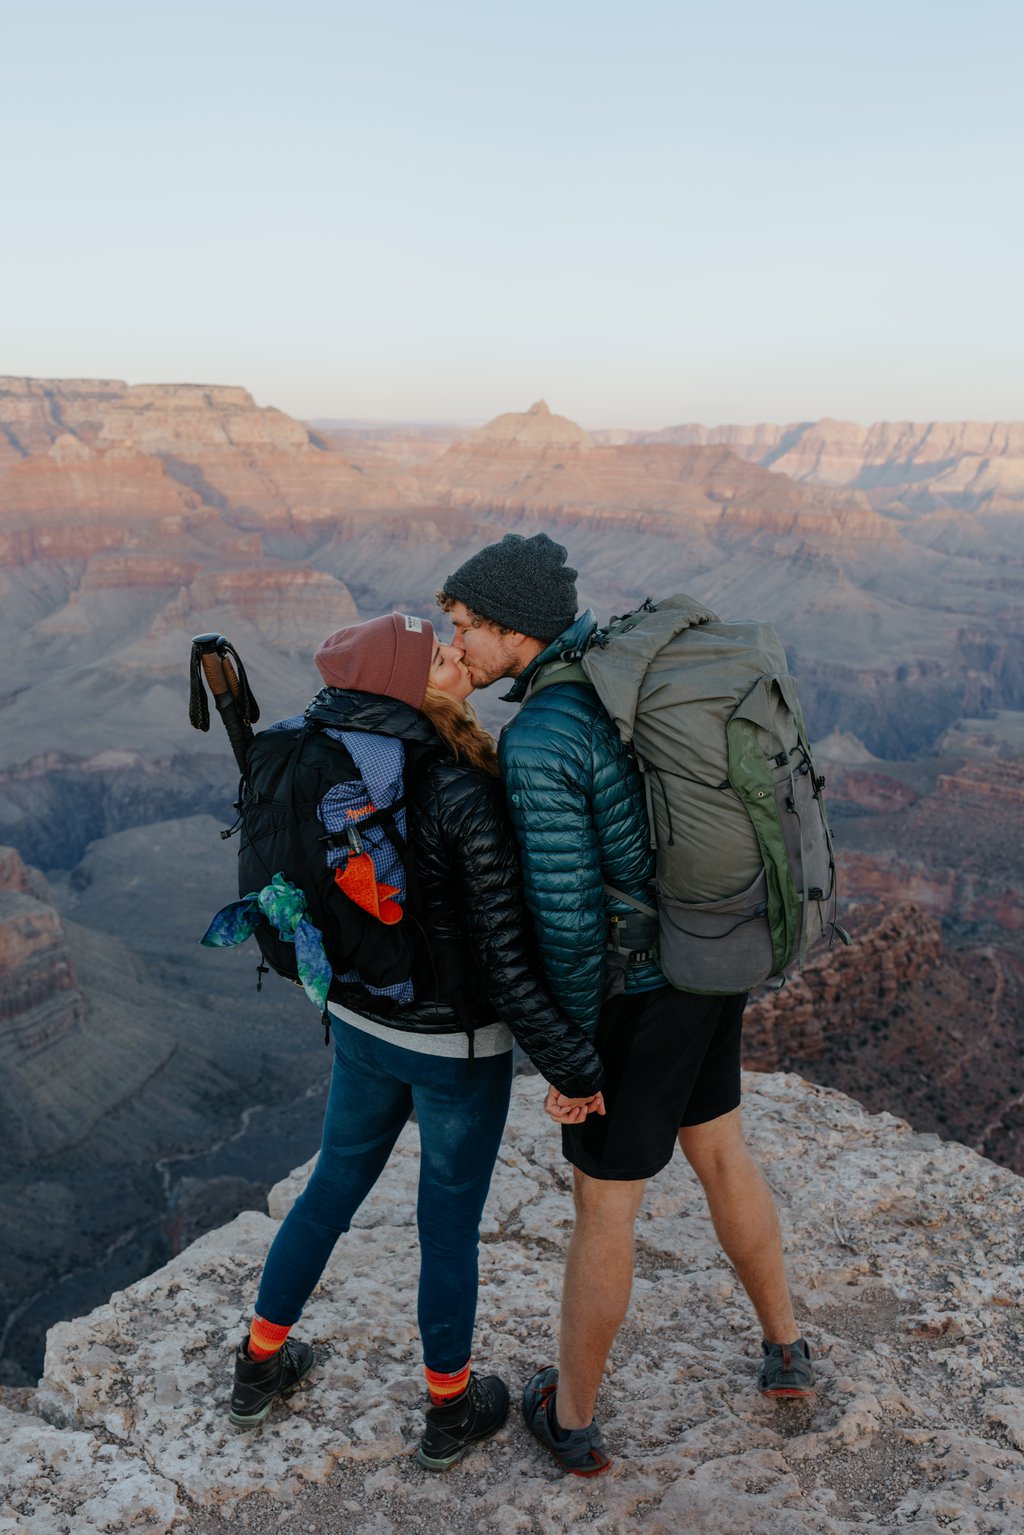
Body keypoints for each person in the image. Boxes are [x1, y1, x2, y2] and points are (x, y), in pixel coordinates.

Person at [437, 533, 814, 1478]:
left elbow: (566, 923)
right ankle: (785, 1349)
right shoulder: (617, 678)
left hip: (635, 996)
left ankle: (570, 1420)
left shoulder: (544, 734)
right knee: (722, 1150)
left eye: (461, 628)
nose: (453, 648)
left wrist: (571, 1063)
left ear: (512, 629)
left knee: (605, 1212)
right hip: (703, 956)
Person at [226, 612, 605, 1471]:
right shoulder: (460, 789)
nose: (456, 655)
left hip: (360, 1023)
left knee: (328, 1191)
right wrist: (574, 1062)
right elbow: (506, 963)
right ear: (410, 689)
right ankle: (448, 1410)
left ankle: (258, 1365)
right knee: (447, 1228)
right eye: (437, 654)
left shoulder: (326, 749)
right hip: (454, 1053)